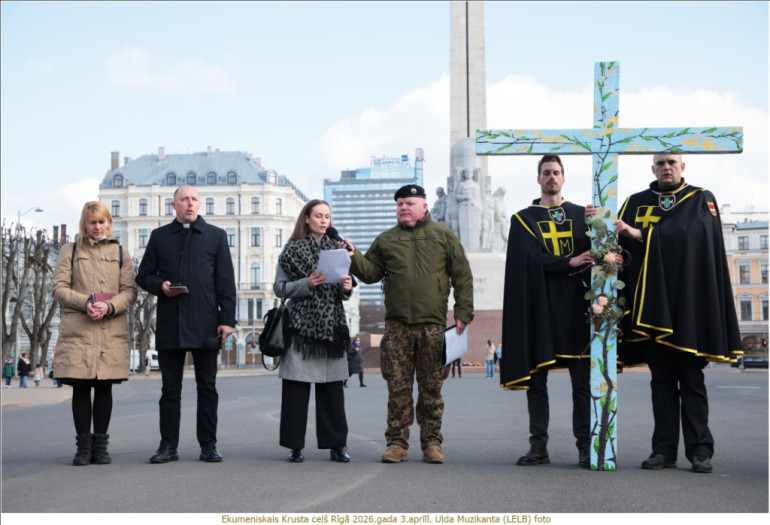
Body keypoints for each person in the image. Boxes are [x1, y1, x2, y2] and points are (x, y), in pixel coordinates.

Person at [614, 153, 741, 474]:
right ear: (652, 167)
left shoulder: (700, 199)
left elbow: (692, 235)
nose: (666, 167)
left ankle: (700, 451)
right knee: (662, 382)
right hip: (649, 312)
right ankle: (664, 450)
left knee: (692, 380)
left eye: (672, 162)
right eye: (660, 163)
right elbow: (618, 250)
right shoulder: (634, 202)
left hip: (688, 308)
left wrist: (642, 234)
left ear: (683, 166)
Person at [347, 184, 474, 464]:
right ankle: (397, 443)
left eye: (409, 203)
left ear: (424, 207)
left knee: (432, 389)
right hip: (397, 326)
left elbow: (462, 275)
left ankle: (431, 444)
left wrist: (464, 311)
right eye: (399, 204)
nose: (403, 208)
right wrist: (353, 256)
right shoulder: (387, 239)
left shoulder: (443, 236)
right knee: (398, 388)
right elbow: (369, 273)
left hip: (433, 327)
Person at [501, 155, 598, 469]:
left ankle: (586, 446)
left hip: (577, 311)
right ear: (538, 178)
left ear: (564, 178)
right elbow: (523, 263)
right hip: (540, 310)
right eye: (546, 173)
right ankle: (538, 446)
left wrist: (598, 228)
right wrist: (566, 262)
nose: (551, 177)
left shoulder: (582, 215)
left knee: (582, 384)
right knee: (537, 383)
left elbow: (599, 254)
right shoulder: (523, 219)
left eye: (556, 172)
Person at [136, 185, 236, 464]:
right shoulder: (159, 236)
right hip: (171, 322)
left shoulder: (216, 236)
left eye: (194, 199)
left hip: (206, 322)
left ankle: (209, 445)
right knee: (170, 389)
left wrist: (227, 320)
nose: (190, 204)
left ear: (199, 204)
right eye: (184, 200)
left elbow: (226, 281)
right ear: (174, 205)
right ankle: (168, 446)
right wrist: (161, 285)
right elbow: (143, 276)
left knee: (207, 388)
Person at [51, 201, 137, 465]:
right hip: (79, 329)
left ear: (108, 223)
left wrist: (109, 306)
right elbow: (58, 288)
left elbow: (130, 291)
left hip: (110, 329)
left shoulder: (121, 253)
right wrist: (85, 303)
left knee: (104, 387)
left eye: (102, 222)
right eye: (92, 222)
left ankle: (101, 446)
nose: (97, 227)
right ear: (84, 224)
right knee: (80, 386)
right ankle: (83, 448)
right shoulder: (70, 250)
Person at [274, 199, 353, 463]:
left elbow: (346, 291)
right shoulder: (292, 249)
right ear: (306, 218)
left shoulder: (338, 249)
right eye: (318, 215)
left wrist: (346, 287)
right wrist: (306, 283)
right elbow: (279, 288)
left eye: (327, 216)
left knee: (332, 392)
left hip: (332, 328)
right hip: (300, 329)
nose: (323, 220)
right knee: (296, 390)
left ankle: (337, 445)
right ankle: (295, 446)